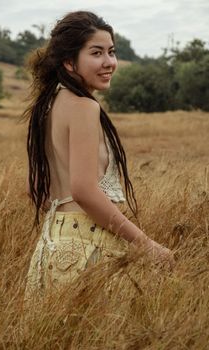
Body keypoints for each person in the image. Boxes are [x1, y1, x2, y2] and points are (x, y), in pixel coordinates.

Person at [23, 11, 174, 300]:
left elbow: (38, 190)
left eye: (112, 52)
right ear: (69, 61)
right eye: (96, 53)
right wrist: (147, 245)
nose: (109, 62)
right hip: (88, 250)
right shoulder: (83, 107)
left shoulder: (48, 105)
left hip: (51, 248)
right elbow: (83, 190)